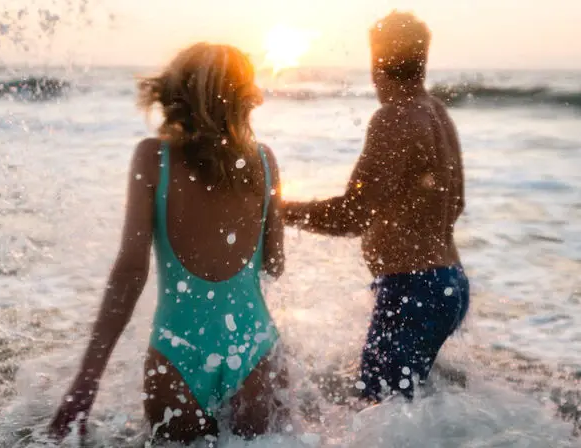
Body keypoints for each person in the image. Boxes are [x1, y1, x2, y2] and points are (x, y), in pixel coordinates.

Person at [49, 43, 288, 444]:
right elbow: (275, 264)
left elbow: (129, 272)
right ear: (244, 98)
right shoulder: (264, 162)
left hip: (176, 356)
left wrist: (85, 383)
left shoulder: (152, 158)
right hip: (255, 348)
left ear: (176, 94)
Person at [284, 11, 470, 403]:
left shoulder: (394, 118)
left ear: (377, 61)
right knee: (403, 413)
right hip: (449, 282)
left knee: (375, 412)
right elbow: (456, 204)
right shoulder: (437, 112)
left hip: (413, 289)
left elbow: (350, 216)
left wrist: (277, 210)